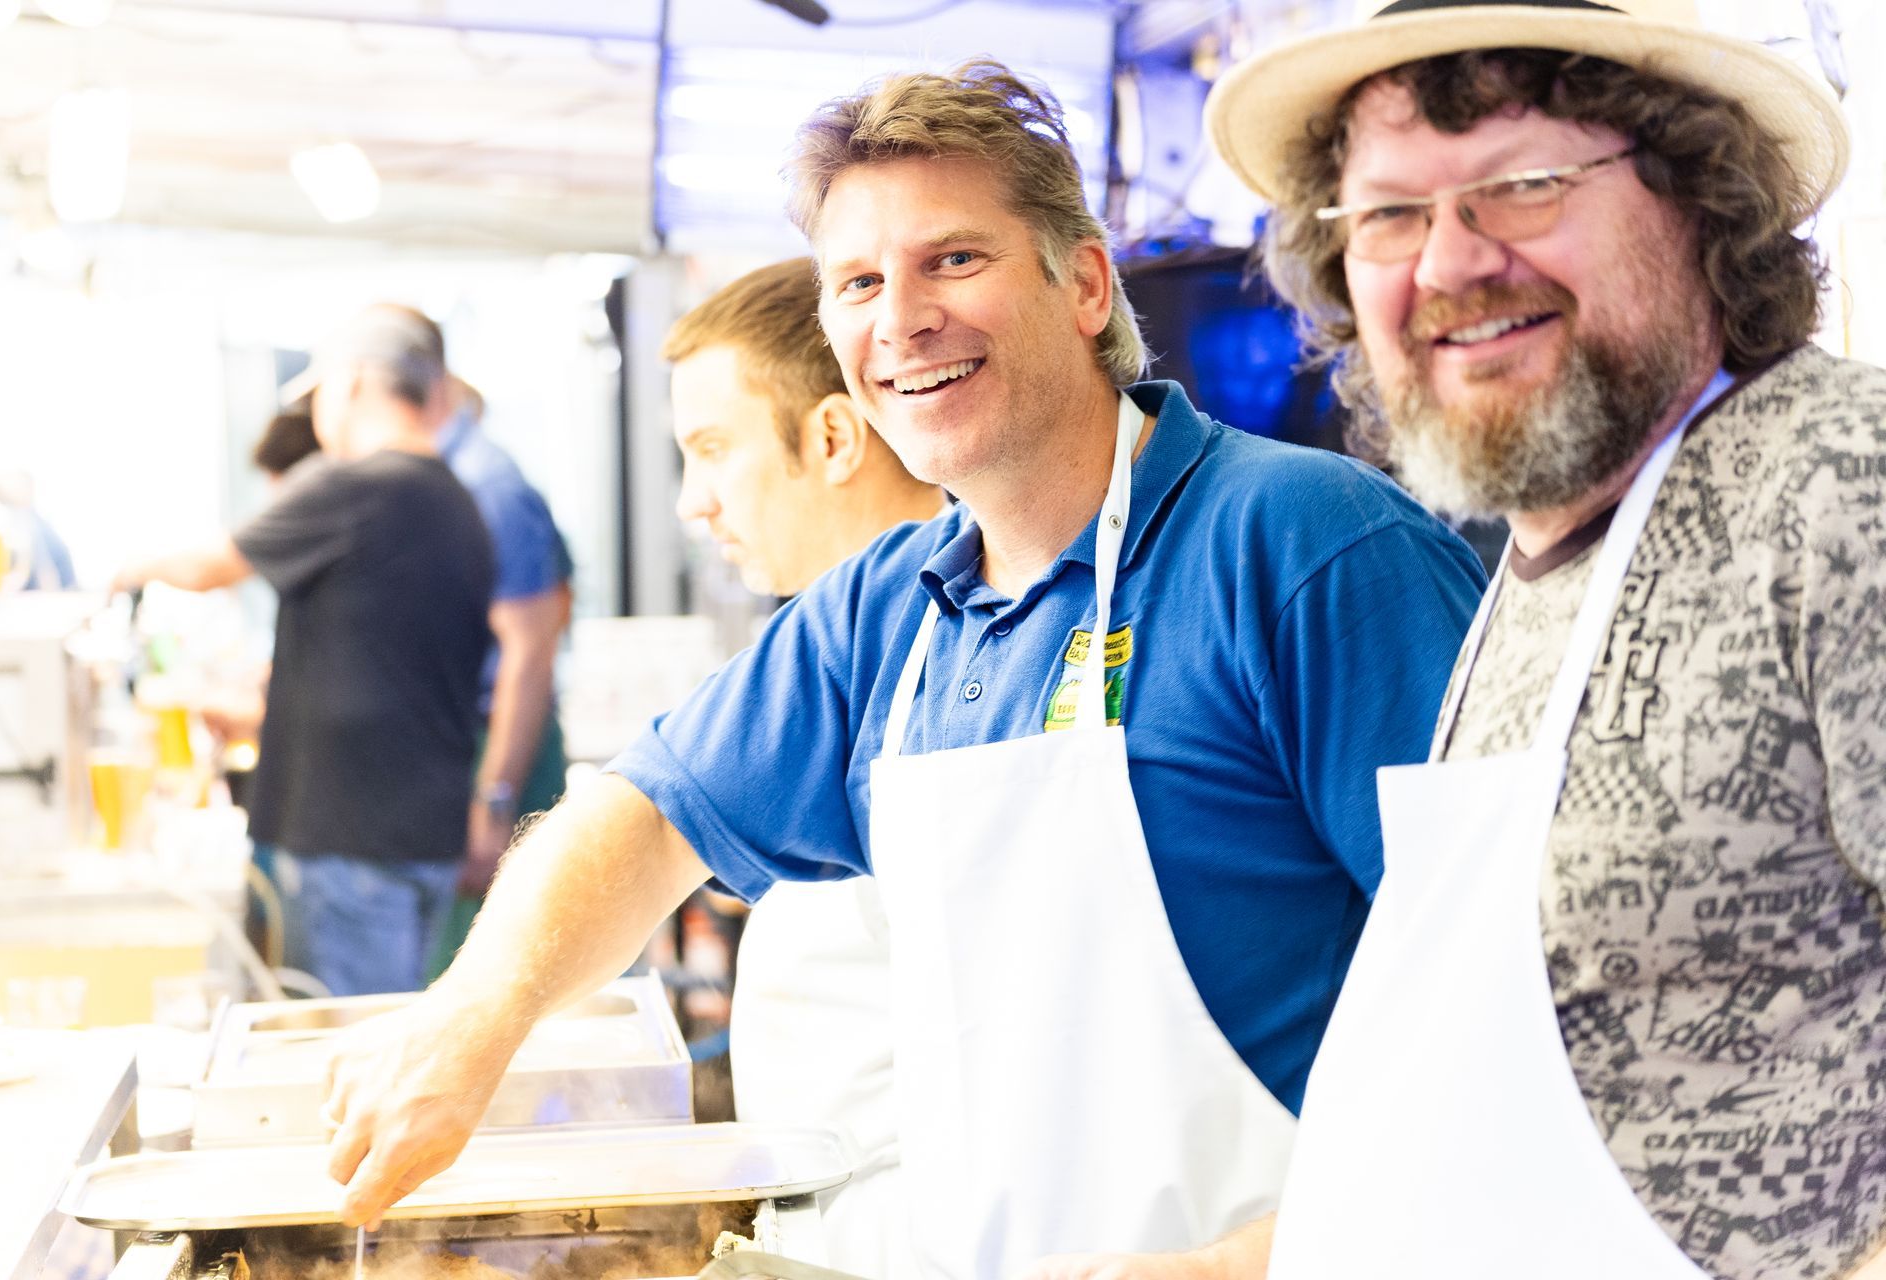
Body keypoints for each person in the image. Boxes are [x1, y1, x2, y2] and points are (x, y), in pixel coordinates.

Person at [320, 62, 1483, 1278]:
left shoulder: (1305, 546)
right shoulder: (886, 610)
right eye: (859, 283)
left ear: (1086, 283)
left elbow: (1523, 1010)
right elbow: (645, 815)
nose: (903, 320)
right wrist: (470, 1015)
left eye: (954, 260)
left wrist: (1225, 1266)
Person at [1073, 2, 1880, 1277]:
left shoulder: (1844, 482)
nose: (1448, 264)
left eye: (1523, 185)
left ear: (1696, 199)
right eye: (1391, 214)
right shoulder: (1537, 560)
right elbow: (1532, 1129)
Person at [663, 256, 947, 1277]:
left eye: (712, 449)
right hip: (830, 1231)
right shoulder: (823, 660)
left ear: (833, 436)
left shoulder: (956, 648)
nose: (693, 503)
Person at [116, 304, 494, 997]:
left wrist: (122, 568)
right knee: (392, 1020)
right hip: (424, 831)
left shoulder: (350, 484)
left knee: (350, 1035)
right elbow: (383, 661)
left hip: (347, 836)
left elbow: (209, 566)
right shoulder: (457, 502)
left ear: (351, 384)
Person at [425, 372, 575, 981]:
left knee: (496, 966)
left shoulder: (487, 486)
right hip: (474, 743)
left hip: (503, 744)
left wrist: (493, 802)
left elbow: (530, 648)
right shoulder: (453, 480)